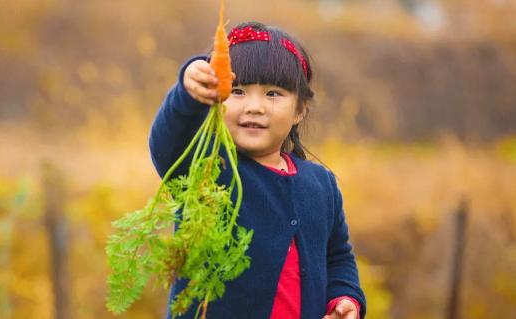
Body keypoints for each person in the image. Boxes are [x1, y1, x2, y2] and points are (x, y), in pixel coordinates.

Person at [149, 21, 366, 319]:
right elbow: (169, 143)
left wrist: (345, 300)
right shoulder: (209, 167)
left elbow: (338, 257)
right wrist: (189, 92)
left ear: (300, 109)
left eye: (273, 94)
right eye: (237, 91)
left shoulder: (320, 184)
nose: (254, 106)